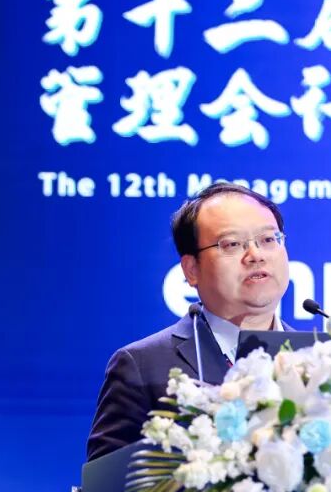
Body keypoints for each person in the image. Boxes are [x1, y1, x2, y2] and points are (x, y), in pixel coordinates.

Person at [85, 183, 293, 462]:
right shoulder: (142, 367)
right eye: (232, 244)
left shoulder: (321, 360)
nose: (256, 255)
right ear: (191, 269)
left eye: (268, 239)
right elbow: (108, 486)